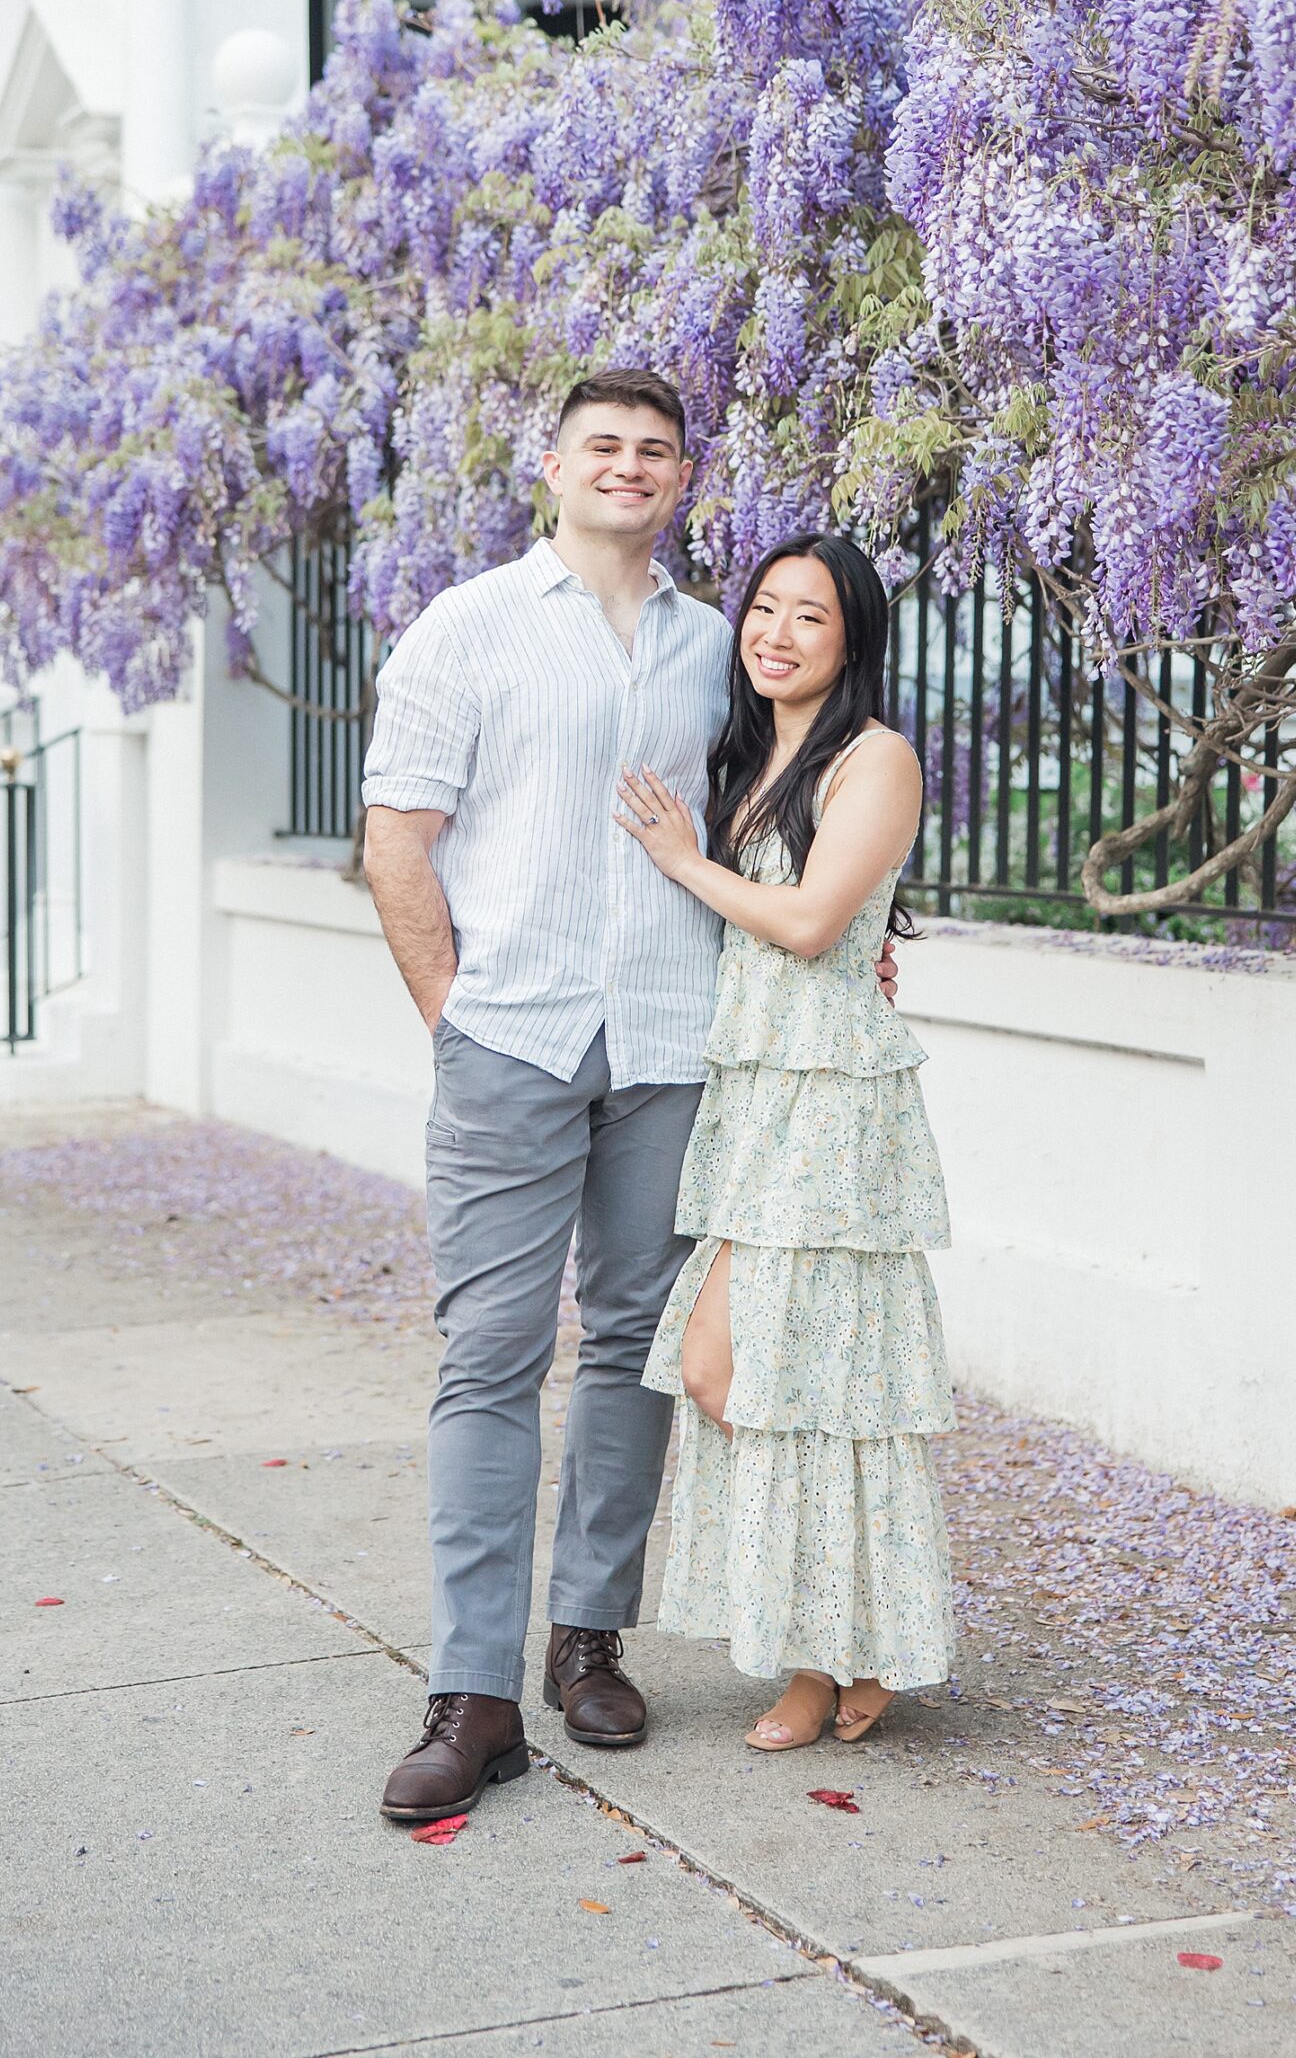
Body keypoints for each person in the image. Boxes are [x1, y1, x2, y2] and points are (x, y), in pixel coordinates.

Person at [360, 371, 897, 1824]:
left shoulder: (719, 644)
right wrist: (449, 1015)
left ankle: (586, 1639)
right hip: (509, 1040)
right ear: (552, 464)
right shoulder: (467, 626)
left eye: (654, 452)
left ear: (680, 480)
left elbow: (792, 797)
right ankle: (469, 1695)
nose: (628, 468)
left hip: (670, 1042)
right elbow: (397, 837)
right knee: (485, 1356)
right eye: (602, 445)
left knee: (627, 1356)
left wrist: (861, 930)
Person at [616, 533, 954, 1749]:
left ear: (852, 640)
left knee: (772, 1370)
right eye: (763, 608)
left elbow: (810, 924)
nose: (776, 633)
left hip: (831, 1101)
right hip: (759, 1095)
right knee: (747, 1370)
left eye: (810, 617)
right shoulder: (760, 755)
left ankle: (830, 1657)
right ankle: (845, 1639)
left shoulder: (878, 756)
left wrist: (682, 860)